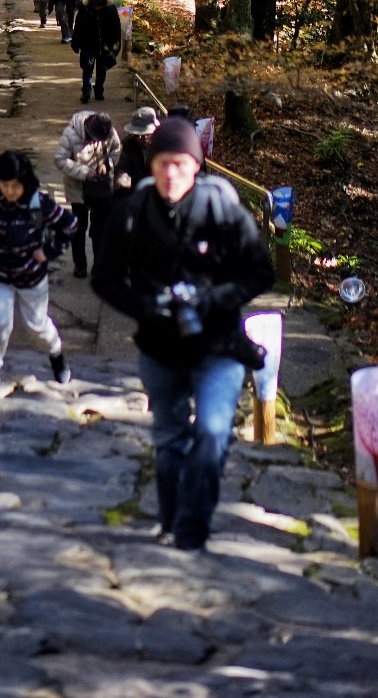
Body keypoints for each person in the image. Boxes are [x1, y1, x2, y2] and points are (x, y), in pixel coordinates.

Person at [93, 116, 273, 551]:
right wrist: (147, 307)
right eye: (162, 164)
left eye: (180, 163)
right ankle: (172, 520)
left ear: (196, 166)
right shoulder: (133, 212)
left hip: (219, 343)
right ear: (150, 165)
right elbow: (105, 278)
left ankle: (194, 527)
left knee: (212, 433)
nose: (170, 173)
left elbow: (260, 271)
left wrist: (214, 299)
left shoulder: (221, 209)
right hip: (159, 345)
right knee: (170, 436)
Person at [0, 151, 75, 388]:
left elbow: (70, 225)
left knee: (36, 326)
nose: (10, 191)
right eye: (5, 185)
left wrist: (48, 252)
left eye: (16, 186)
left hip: (31, 275)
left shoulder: (39, 203)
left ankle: (56, 353)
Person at [54, 107, 121, 277]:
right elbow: (59, 160)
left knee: (100, 228)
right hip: (78, 190)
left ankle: (99, 265)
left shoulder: (109, 131)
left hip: (102, 190)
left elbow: (116, 150)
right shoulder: (71, 134)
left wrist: (107, 165)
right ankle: (80, 265)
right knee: (79, 227)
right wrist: (84, 172)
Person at [71, 0, 123, 104]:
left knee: (102, 69)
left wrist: (116, 45)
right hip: (88, 45)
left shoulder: (111, 11)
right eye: (96, 6)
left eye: (99, 6)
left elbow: (116, 29)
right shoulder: (84, 11)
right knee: (87, 69)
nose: (98, 9)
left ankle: (99, 90)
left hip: (105, 46)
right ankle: (86, 91)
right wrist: (76, 43)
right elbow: (78, 28)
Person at [116, 105, 160, 193]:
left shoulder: (163, 144)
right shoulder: (127, 145)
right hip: (136, 191)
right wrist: (122, 176)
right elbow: (122, 167)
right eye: (137, 135)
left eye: (146, 135)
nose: (141, 139)